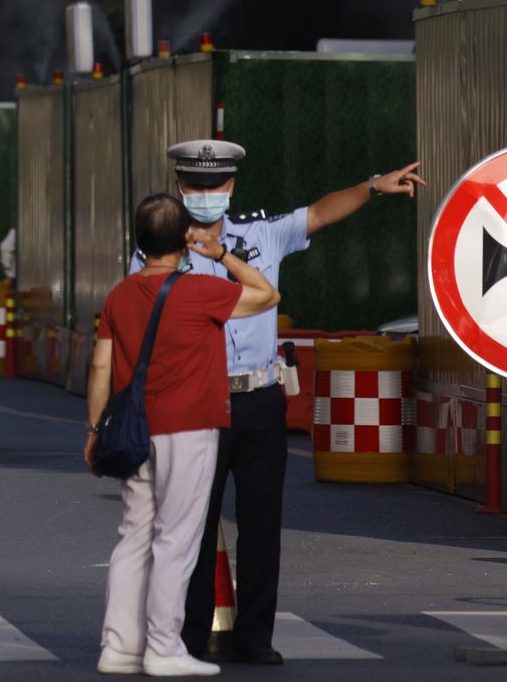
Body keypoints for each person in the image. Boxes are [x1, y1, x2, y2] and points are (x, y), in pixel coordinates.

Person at [160, 140, 425, 664]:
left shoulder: (260, 234)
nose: (207, 195)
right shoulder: (159, 248)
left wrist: (373, 186)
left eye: (216, 186)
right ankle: (187, 637)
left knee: (262, 522)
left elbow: (321, 212)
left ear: (231, 187)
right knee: (191, 524)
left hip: (258, 396)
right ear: (179, 188)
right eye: (196, 186)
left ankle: (256, 636)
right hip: (197, 400)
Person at [90, 194, 281, 677]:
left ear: (138, 240)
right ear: (183, 240)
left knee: (133, 535)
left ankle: (118, 646)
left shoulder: (118, 295)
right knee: (177, 538)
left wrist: (94, 428)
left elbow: (100, 365)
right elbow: (266, 294)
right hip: (190, 426)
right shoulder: (200, 291)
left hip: (133, 430)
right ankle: (163, 646)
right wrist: (220, 255)